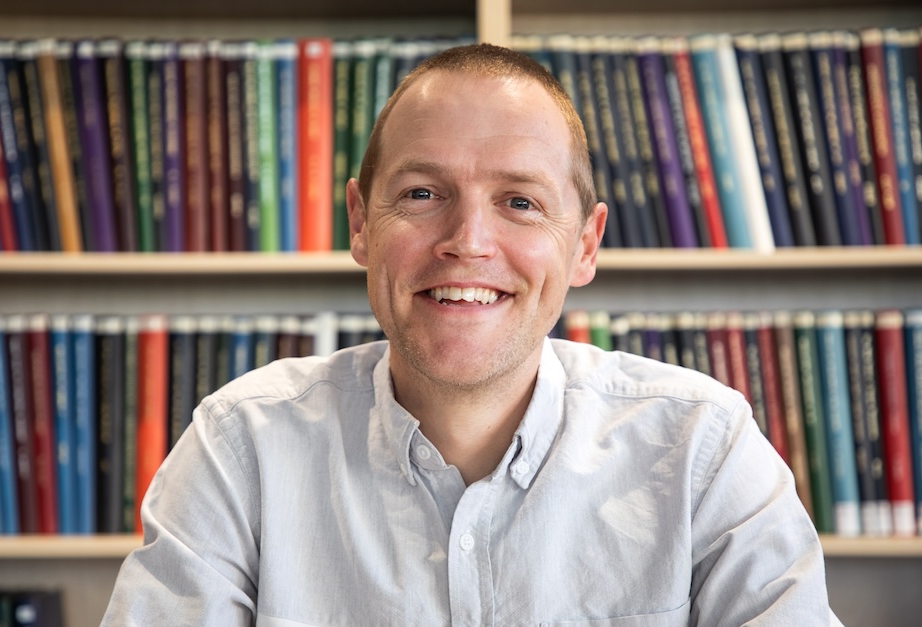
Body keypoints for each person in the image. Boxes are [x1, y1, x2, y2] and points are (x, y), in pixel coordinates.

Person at [103, 43, 841, 626]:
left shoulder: (702, 452)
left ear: (585, 244)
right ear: (361, 222)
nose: (468, 241)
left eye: (519, 201)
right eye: (423, 194)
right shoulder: (241, 449)